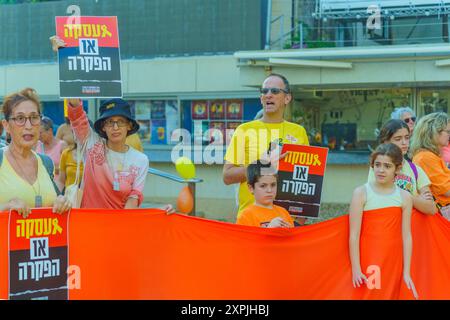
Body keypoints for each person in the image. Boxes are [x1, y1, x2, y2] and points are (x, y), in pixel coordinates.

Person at [223, 73, 309, 223]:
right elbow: (227, 176)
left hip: (288, 220)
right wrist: (262, 164)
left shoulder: (298, 132)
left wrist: (301, 218)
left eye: (275, 91)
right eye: (264, 91)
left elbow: (307, 178)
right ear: (261, 98)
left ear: (287, 98)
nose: (268, 95)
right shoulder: (244, 130)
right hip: (252, 221)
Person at [66, 98, 173, 212]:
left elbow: (133, 199)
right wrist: (74, 100)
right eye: (110, 122)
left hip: (120, 225)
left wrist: (158, 212)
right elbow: (78, 118)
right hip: (90, 223)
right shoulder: (93, 145)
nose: (115, 127)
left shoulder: (140, 160)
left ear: (129, 126)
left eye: (120, 122)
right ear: (103, 127)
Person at [349, 143, 418, 299]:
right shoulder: (361, 193)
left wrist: (406, 272)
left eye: (387, 166)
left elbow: (406, 236)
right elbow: (353, 234)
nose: (381, 170)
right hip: (370, 258)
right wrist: (356, 268)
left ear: (397, 168)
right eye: (377, 165)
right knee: (372, 295)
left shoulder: (404, 197)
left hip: (394, 260)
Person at [0, 88, 71, 217]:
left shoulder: (46, 162)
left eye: (34, 117)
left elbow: (57, 200)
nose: (28, 126)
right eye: (20, 118)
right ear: (6, 125)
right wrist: (5, 207)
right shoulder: (1, 159)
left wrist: (62, 201)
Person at [368, 119, 436, 214]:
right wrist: (416, 199)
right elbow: (381, 201)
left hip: (412, 226)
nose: (404, 143)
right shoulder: (378, 168)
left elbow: (431, 209)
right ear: (385, 142)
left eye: (407, 137)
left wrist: (401, 196)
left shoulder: (416, 170)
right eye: (398, 139)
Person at [410, 112, 450, 217]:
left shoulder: (430, 155)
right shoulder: (425, 157)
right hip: (442, 212)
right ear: (434, 132)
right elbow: (446, 190)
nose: (449, 135)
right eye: (448, 131)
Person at [236, 161, 294, 228]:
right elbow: (244, 239)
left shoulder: (284, 213)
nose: (269, 190)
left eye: (273, 185)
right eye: (263, 186)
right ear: (251, 188)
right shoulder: (245, 216)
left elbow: (292, 238)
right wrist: (269, 229)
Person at [36, 116, 67, 184]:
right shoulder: (37, 145)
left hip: (57, 185)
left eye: (40, 133)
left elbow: (67, 169)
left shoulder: (62, 146)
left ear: (50, 131)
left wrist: (49, 168)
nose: (38, 136)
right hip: (40, 185)